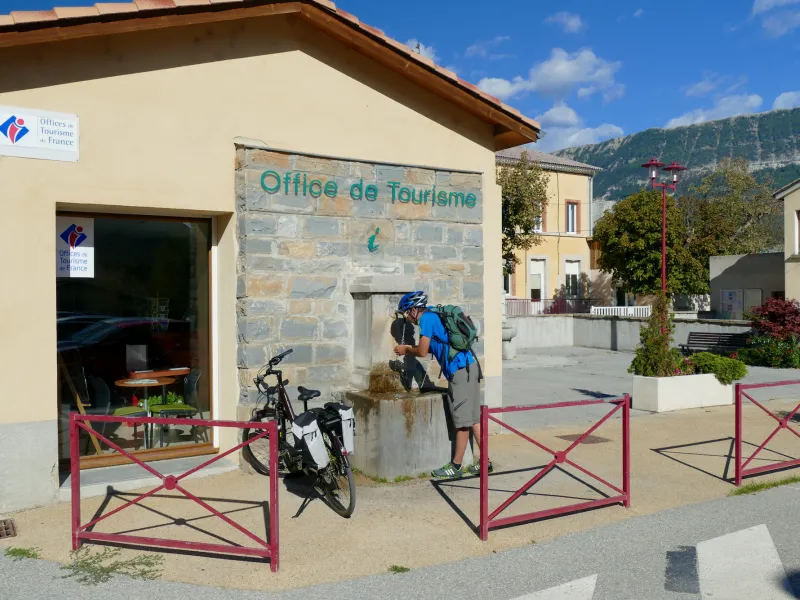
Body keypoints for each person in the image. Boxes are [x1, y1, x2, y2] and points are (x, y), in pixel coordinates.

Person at [393, 291, 492, 479]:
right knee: (474, 418)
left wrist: (406, 348)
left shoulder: (426, 319)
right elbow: (435, 344)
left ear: (414, 310)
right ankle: (486, 462)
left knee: (462, 422)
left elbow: (422, 351)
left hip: (459, 371)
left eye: (407, 312)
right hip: (471, 365)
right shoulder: (435, 314)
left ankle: (455, 466)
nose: (407, 317)